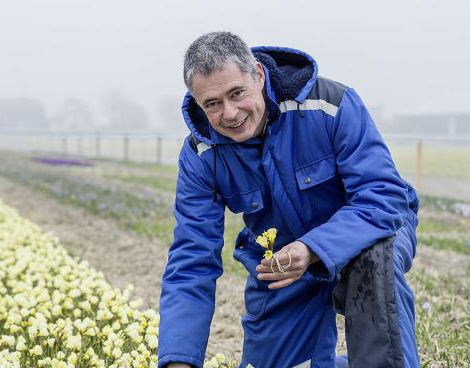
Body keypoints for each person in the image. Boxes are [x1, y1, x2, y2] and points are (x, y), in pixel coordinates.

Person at [158, 31, 419, 368]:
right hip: (281, 258)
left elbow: (383, 197)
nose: (231, 113)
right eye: (212, 104)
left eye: (237, 93)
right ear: (197, 103)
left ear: (259, 75)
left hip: (367, 232)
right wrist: (178, 360)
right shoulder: (201, 154)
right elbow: (191, 259)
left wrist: (313, 249)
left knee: (372, 262)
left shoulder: (330, 105)